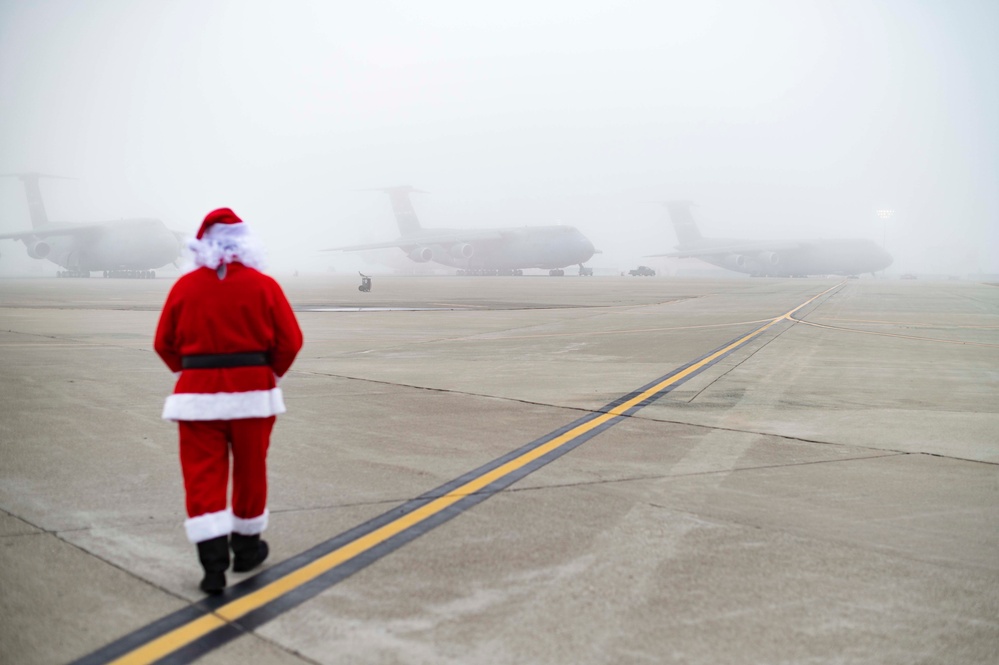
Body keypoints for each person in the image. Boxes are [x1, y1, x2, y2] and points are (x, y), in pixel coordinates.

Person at [154, 208, 303, 594]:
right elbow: (290, 341)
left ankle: (213, 566)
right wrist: (269, 373)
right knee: (252, 470)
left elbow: (163, 344)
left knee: (202, 474)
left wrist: (189, 371)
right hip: (253, 394)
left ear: (203, 245)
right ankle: (247, 548)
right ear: (244, 243)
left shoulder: (184, 287)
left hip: (196, 396)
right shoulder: (263, 285)